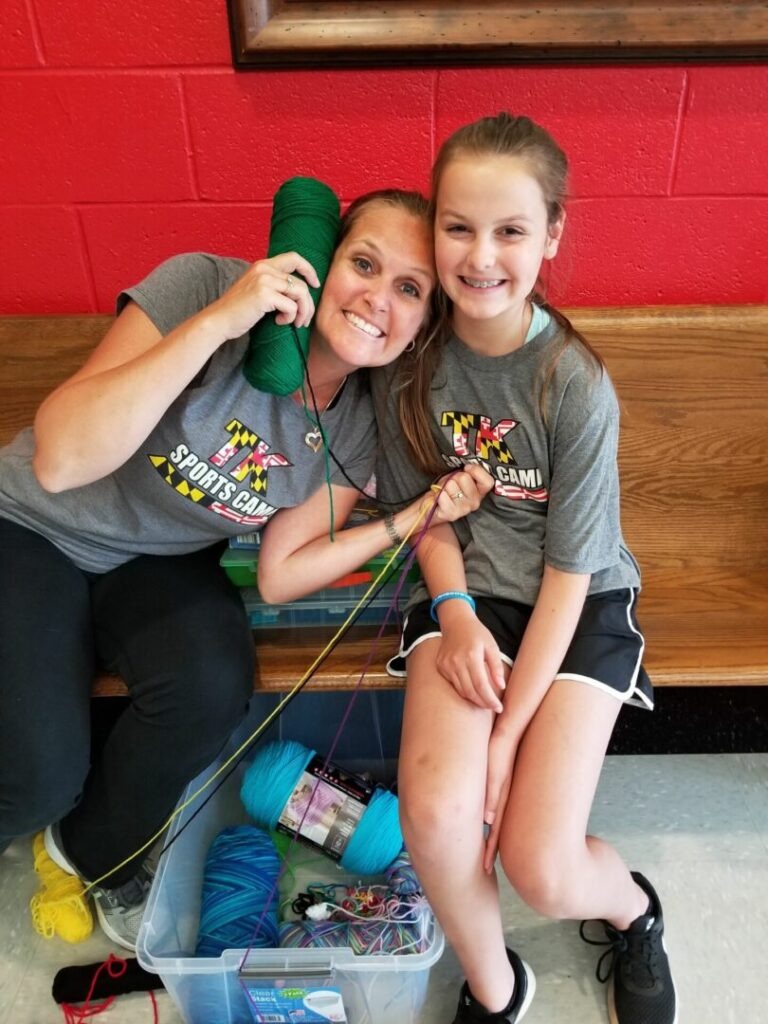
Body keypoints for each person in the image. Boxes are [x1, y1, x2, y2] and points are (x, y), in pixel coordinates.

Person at [0, 187, 492, 951]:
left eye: (409, 288)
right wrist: (218, 323)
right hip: (32, 526)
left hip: (159, 557)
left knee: (213, 684)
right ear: (323, 259)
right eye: (364, 264)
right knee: (37, 776)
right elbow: (61, 461)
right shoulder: (205, 285)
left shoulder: (359, 422)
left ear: (422, 324)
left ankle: (89, 854)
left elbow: (280, 574)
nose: (376, 298)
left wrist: (409, 518)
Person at [372, 115, 677, 1024]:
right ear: (433, 228)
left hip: (572, 605)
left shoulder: (572, 384)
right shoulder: (410, 361)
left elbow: (572, 577)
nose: (480, 256)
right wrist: (456, 612)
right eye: (458, 227)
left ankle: (634, 909)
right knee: (437, 818)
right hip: (468, 594)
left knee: (538, 866)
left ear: (551, 235)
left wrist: (503, 745)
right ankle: (496, 989)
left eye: (510, 230)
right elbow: (427, 517)